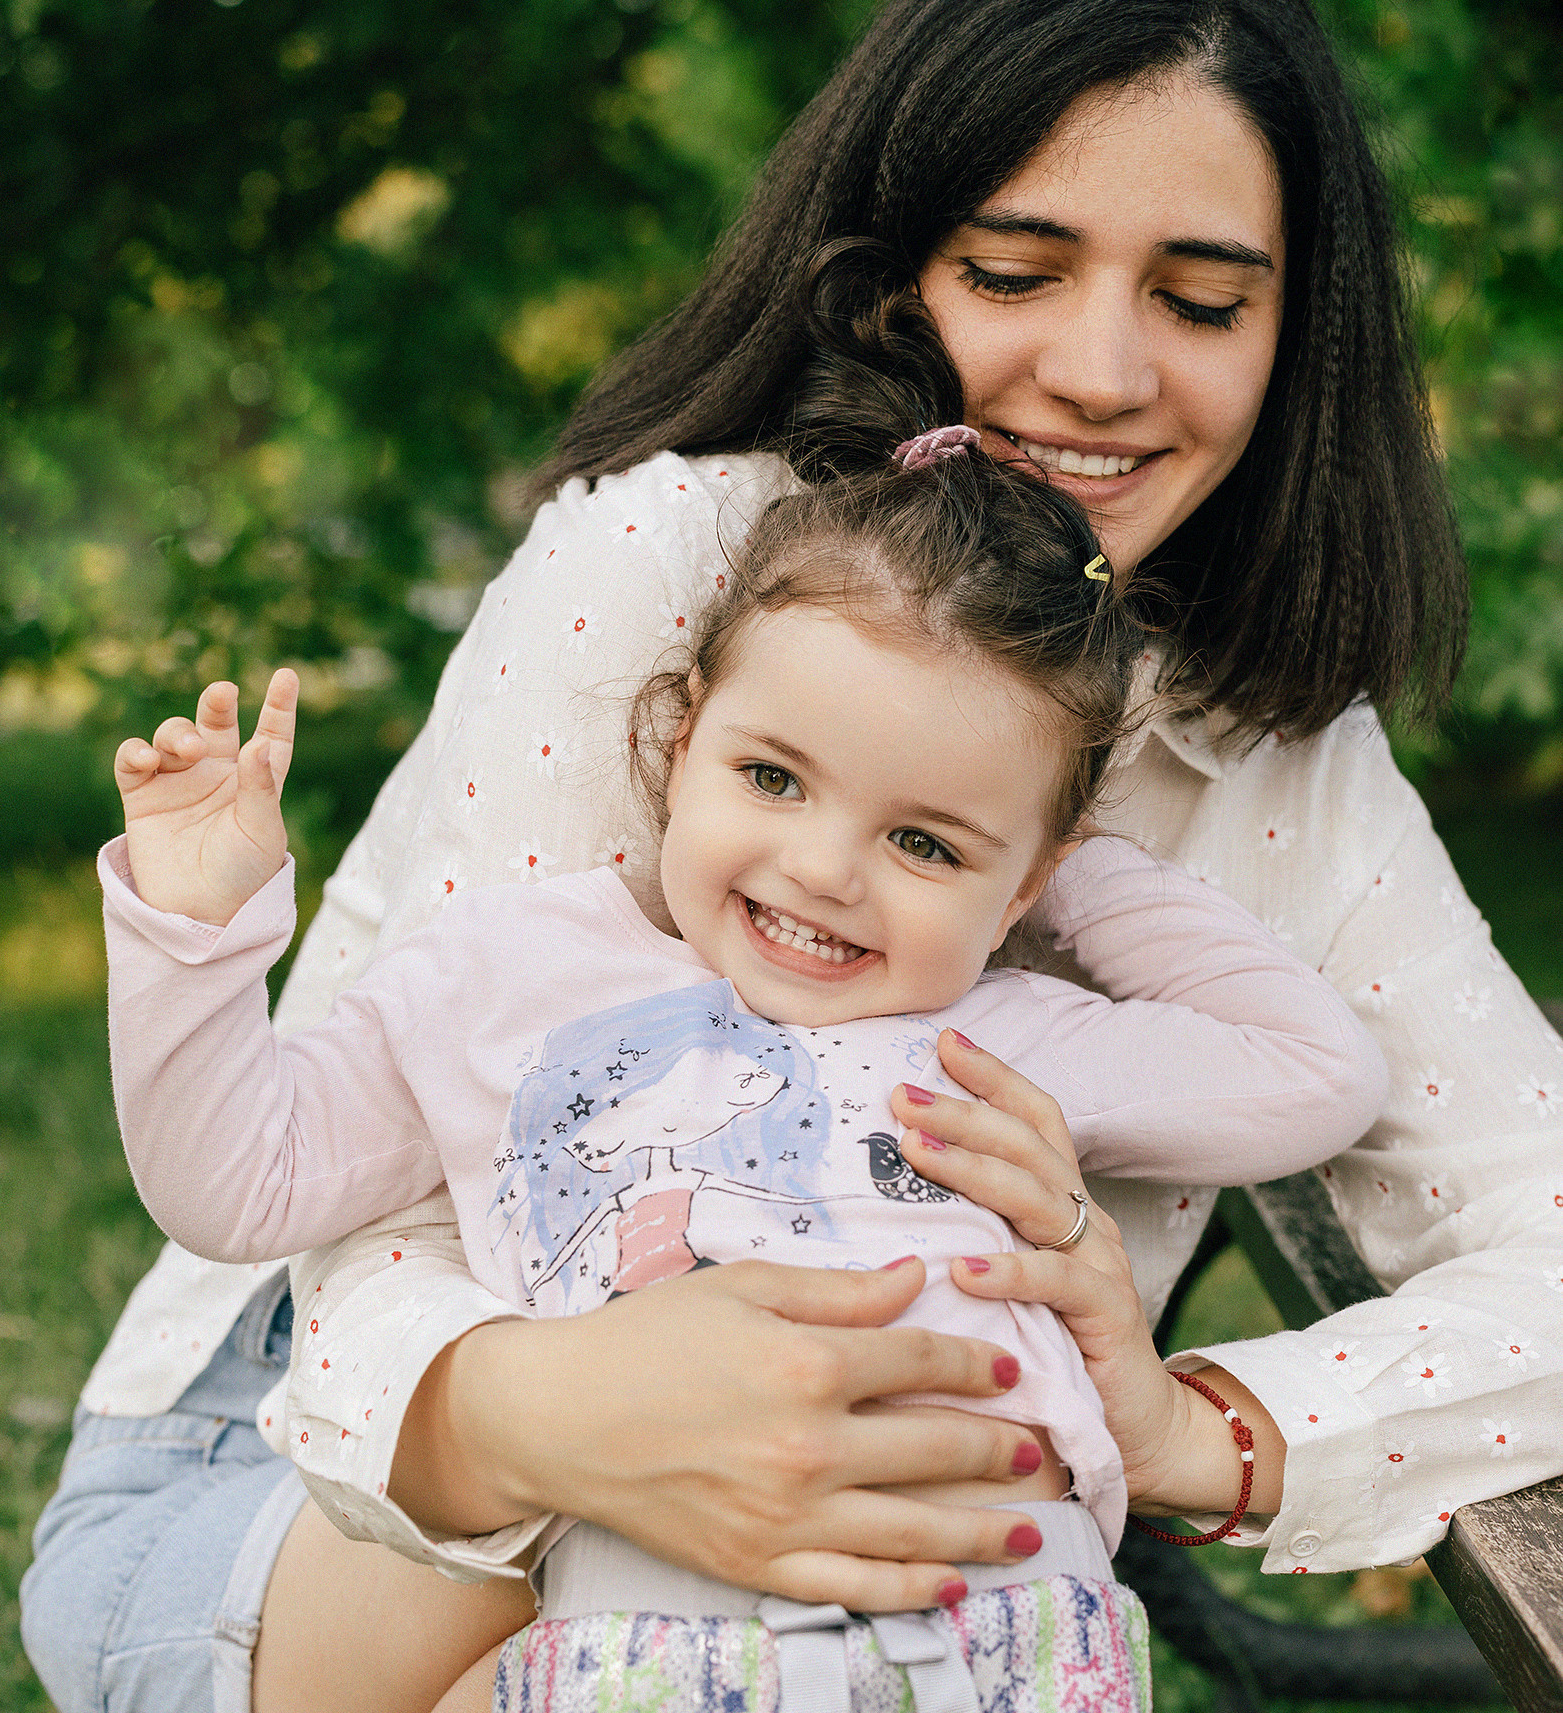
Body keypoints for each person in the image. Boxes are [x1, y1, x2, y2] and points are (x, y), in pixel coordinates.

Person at [21, 0, 1563, 1713]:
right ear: (891, 268)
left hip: (888, 1584)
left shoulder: (1276, 747)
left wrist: (1196, 1430)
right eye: (1011, 271)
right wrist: (585, 1419)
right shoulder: (678, 566)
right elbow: (372, 1218)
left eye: (1201, 298)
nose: (1099, 369)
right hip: (323, 1490)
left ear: (1290, 336)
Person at [97, 384, 1387, 1713]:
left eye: (925, 841)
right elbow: (235, 1185)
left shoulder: (999, 1046)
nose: (824, 870)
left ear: (1015, 889)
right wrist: (193, 933)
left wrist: (1075, 877)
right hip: (647, 1642)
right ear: (679, 731)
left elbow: (1314, 1076)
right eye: (771, 778)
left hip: (1015, 1644)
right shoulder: (508, 981)